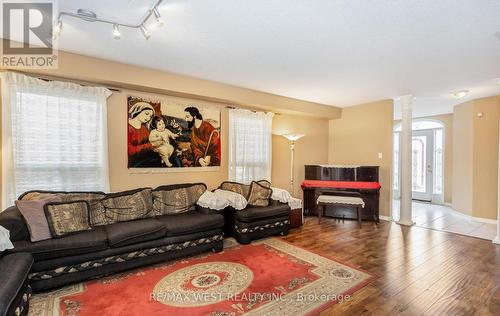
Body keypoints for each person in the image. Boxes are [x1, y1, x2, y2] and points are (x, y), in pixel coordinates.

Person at [127, 102, 159, 167]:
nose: (148, 118)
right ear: (138, 110)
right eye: (146, 113)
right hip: (135, 161)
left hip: (145, 157)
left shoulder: (144, 128)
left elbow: (150, 142)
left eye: (150, 116)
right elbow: (129, 150)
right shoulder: (128, 127)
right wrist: (149, 146)